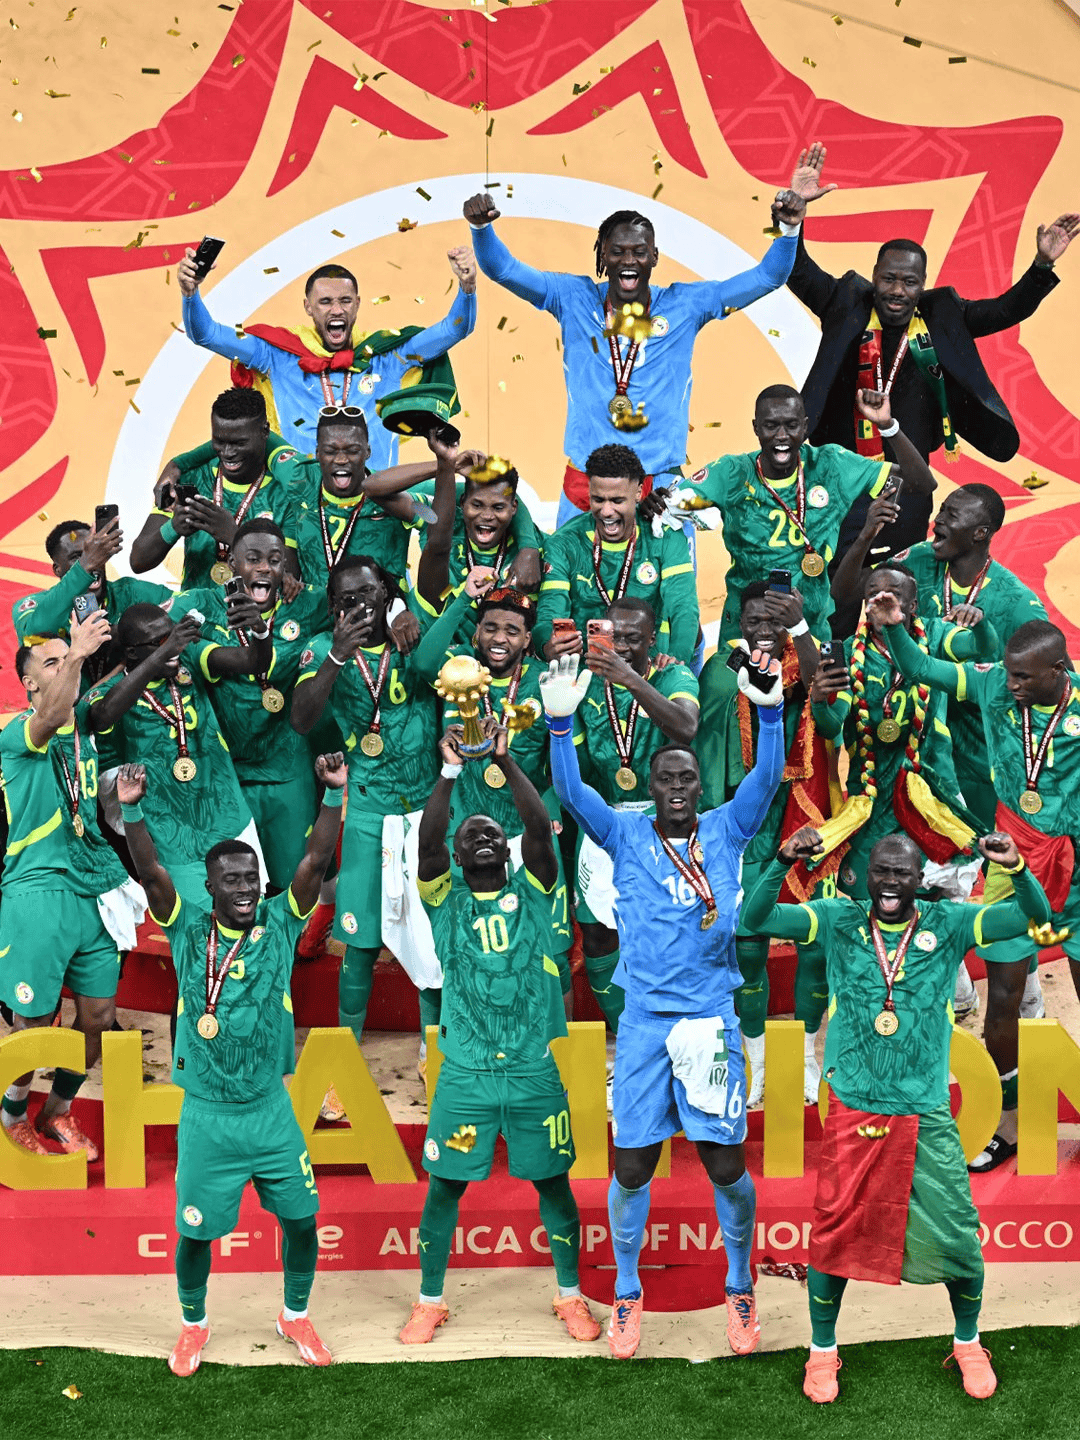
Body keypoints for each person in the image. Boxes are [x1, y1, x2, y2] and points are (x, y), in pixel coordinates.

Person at [742, 826, 1051, 1404]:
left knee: (958, 1233)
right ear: (866, 876)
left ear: (918, 879)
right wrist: (780, 861)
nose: (889, 882)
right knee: (834, 1234)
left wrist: (1017, 868)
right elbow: (755, 918)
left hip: (924, 1109)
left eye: (901, 872)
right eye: (881, 871)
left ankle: (967, 1342)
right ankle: (822, 1351)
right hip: (854, 1105)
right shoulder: (836, 918)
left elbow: (1032, 919)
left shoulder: (949, 923)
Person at [543, 647, 785, 1360]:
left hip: (710, 1020)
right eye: (666, 779)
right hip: (646, 1022)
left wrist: (770, 712)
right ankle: (626, 1290)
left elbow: (767, 779)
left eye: (686, 778)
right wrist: (560, 727)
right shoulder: (625, 832)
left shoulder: (726, 830)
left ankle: (740, 1283)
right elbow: (572, 795)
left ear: (700, 785)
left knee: (724, 1165)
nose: (677, 788)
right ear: (650, 787)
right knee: (631, 1167)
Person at [116, 751, 346, 1376]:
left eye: (251, 878)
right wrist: (132, 812)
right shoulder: (187, 928)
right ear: (211, 887)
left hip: (270, 1112)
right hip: (207, 1119)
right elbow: (150, 871)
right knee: (196, 1233)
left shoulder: (281, 922)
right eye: (233, 880)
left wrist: (333, 794)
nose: (245, 889)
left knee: (303, 1223)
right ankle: (194, 1325)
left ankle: (294, 1315)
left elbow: (314, 861)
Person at [399, 723, 601, 1346]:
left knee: (553, 1183)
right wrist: (450, 772)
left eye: (492, 834)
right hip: (465, 1074)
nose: (484, 839)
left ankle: (570, 1294)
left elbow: (539, 829)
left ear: (508, 853)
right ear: (457, 859)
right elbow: (426, 844)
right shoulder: (444, 900)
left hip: (533, 1072)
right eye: (471, 837)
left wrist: (509, 762)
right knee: (445, 1187)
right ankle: (429, 1301)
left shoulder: (534, 893)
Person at [781, 141, 1079, 557]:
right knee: (831, 575)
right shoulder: (846, 301)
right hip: (836, 478)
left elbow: (1005, 310)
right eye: (888, 279)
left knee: (898, 579)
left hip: (908, 483)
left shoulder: (943, 315)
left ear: (922, 284)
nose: (897, 291)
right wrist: (791, 223)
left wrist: (1041, 266)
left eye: (909, 282)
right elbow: (798, 271)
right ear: (874, 276)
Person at [874, 603, 1080, 1174]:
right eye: (1009, 673)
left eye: (1024, 678)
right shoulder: (994, 687)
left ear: (1059, 670)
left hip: (1079, 870)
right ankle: (1007, 1120)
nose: (1011, 685)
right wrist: (894, 625)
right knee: (1002, 997)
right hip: (1012, 865)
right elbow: (921, 668)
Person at [463, 187, 808, 525]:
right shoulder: (571, 298)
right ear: (603, 256)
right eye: (617, 252)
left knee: (669, 568)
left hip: (659, 487)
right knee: (572, 567)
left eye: (639, 252)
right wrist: (481, 228)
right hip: (588, 485)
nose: (628, 261)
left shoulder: (687, 305)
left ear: (654, 257)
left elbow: (768, 276)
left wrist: (790, 229)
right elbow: (503, 269)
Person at [0, 610, 145, 1159]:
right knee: (34, 1019)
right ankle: (12, 1113)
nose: (66, 667)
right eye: (52, 663)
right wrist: (79, 653)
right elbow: (52, 714)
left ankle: (57, 1110)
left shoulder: (83, 727)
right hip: (37, 888)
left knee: (99, 1016)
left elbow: (97, 698)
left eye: (69, 659)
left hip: (94, 885)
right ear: (29, 682)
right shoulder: (16, 733)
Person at [291, 556, 440, 1071]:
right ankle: (344, 1060)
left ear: (387, 593)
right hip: (368, 814)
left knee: (429, 940)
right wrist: (337, 655)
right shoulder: (321, 649)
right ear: (334, 607)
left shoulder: (413, 637)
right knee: (359, 943)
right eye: (348, 599)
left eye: (370, 593)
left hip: (425, 812)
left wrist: (406, 614)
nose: (361, 605)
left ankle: (434, 1053)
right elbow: (301, 719)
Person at [833, 483, 1050, 830]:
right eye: (942, 509)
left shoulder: (1017, 603)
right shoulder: (917, 560)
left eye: (951, 514)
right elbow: (845, 592)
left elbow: (1055, 679)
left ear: (980, 533)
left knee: (972, 846)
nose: (938, 520)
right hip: (912, 739)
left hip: (976, 746)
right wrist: (865, 536)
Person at [656, 384, 933, 642]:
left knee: (816, 681)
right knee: (733, 681)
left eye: (791, 425)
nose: (781, 436)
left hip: (811, 627)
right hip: (746, 628)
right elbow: (672, 504)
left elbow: (922, 483)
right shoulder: (732, 472)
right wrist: (655, 503)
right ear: (756, 428)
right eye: (771, 426)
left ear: (805, 426)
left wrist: (887, 426)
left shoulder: (831, 465)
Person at [413, 572, 573, 1008]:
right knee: (466, 949)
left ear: (527, 639)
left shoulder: (546, 680)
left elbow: (561, 761)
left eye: (512, 631)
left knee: (553, 953)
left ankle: (563, 1047)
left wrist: (552, 809)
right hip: (473, 841)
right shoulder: (457, 669)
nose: (499, 639)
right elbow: (422, 664)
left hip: (529, 834)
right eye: (490, 628)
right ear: (477, 631)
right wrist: (463, 599)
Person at [697, 581, 829, 1103]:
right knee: (747, 951)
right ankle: (756, 1063)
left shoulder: (810, 659)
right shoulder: (722, 669)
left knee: (814, 947)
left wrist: (802, 630)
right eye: (754, 621)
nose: (764, 631)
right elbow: (710, 740)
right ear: (738, 623)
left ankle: (807, 1059)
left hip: (806, 814)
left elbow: (825, 697)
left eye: (776, 622)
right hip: (748, 824)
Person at [176, 250, 478, 467]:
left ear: (357, 304)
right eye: (325, 302)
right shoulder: (277, 355)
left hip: (377, 506)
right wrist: (191, 294)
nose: (336, 310)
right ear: (308, 307)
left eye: (345, 301)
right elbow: (206, 334)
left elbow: (455, 329)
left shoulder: (389, 355)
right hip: (302, 507)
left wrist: (467, 288)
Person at [809, 564, 997, 901]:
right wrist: (820, 700)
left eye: (892, 595)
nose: (881, 600)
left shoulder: (935, 636)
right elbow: (831, 725)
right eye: (872, 594)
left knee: (931, 895)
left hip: (930, 792)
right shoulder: (849, 653)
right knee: (869, 896)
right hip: (871, 794)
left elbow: (982, 647)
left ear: (912, 606)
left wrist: (980, 623)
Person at [169, 519, 329, 892]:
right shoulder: (201, 605)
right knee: (231, 889)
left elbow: (362, 602)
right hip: (226, 774)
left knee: (289, 885)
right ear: (232, 563)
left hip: (287, 769)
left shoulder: (306, 603)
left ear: (285, 567)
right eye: (253, 559)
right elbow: (150, 626)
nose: (264, 568)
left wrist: (397, 610)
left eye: (274, 560)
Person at [570, 597, 700, 1032]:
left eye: (633, 638)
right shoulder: (587, 682)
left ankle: (669, 1026)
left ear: (652, 639)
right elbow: (578, 763)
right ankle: (626, 1031)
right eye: (615, 637)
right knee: (597, 932)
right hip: (605, 819)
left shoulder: (673, 675)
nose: (622, 647)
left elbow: (686, 727)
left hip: (662, 823)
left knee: (665, 928)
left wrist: (630, 679)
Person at [86, 603, 269, 902]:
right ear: (131, 652)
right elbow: (102, 716)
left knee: (248, 911)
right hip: (171, 835)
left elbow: (253, 661)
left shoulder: (190, 660)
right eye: (159, 641)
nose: (173, 645)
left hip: (227, 815)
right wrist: (163, 653)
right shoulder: (108, 692)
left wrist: (260, 632)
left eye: (172, 636)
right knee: (197, 921)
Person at [534, 444, 699, 665]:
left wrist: (677, 662)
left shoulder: (664, 537)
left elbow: (683, 608)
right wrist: (547, 645)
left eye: (617, 501)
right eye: (598, 499)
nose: (606, 511)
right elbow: (550, 614)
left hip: (649, 670)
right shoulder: (564, 543)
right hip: (586, 670)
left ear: (638, 493)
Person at [129, 389, 299, 590]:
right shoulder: (190, 478)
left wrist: (235, 537)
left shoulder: (285, 491)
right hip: (195, 609)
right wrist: (174, 527)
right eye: (219, 441)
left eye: (238, 443)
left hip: (254, 610)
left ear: (265, 431)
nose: (227, 452)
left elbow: (289, 581)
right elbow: (138, 561)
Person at [13, 516, 171, 678]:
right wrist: (84, 565)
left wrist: (129, 632)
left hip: (125, 693)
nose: (93, 561)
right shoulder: (34, 604)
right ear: (57, 569)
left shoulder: (130, 592)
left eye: (94, 552)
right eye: (77, 557)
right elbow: (35, 633)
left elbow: (183, 608)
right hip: (66, 695)